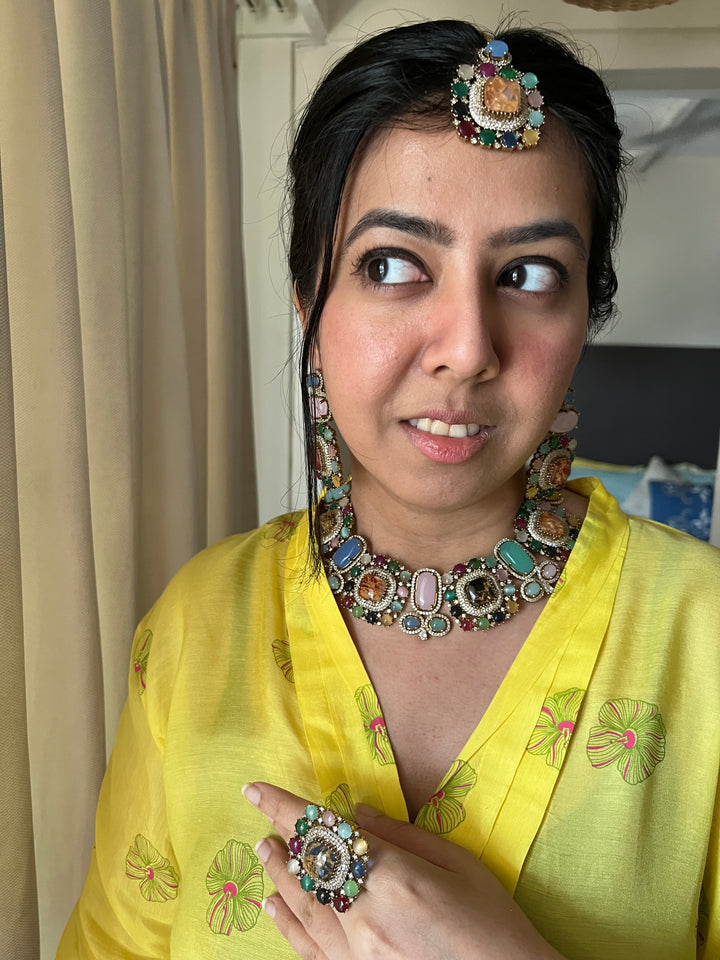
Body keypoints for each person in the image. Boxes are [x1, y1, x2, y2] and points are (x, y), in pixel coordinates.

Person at [57, 18, 720, 960]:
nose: (466, 349)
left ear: (585, 314)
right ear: (309, 297)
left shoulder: (704, 639)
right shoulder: (198, 624)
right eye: (393, 265)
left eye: (529, 274)